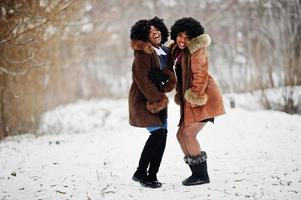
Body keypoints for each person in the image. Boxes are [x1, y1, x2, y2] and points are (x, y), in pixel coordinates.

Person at [169, 17, 225, 186]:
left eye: (187, 37)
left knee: (188, 134)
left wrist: (195, 99)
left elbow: (200, 75)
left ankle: (201, 175)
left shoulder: (197, 51)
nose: (182, 40)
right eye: (179, 35)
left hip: (203, 98)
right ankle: (196, 173)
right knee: (180, 135)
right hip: (192, 99)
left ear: (194, 38)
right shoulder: (179, 51)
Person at [128, 16, 176, 188]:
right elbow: (142, 80)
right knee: (158, 134)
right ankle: (140, 172)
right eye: (150, 32)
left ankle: (152, 175)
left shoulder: (164, 51)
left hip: (159, 98)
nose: (155, 33)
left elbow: (170, 75)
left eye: (157, 30)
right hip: (143, 99)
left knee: (162, 136)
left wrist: (166, 77)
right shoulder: (143, 52)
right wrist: (158, 100)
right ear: (144, 36)